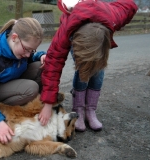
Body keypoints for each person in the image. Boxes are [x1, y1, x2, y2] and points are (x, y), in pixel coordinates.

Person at [39, 0, 138, 131]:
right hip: (76, 30)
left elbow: (130, 5)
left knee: (98, 71)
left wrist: (116, 26)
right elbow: (53, 66)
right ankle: (78, 109)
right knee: (83, 70)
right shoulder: (66, 31)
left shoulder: (115, 16)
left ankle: (90, 109)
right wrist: (48, 104)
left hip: (100, 34)